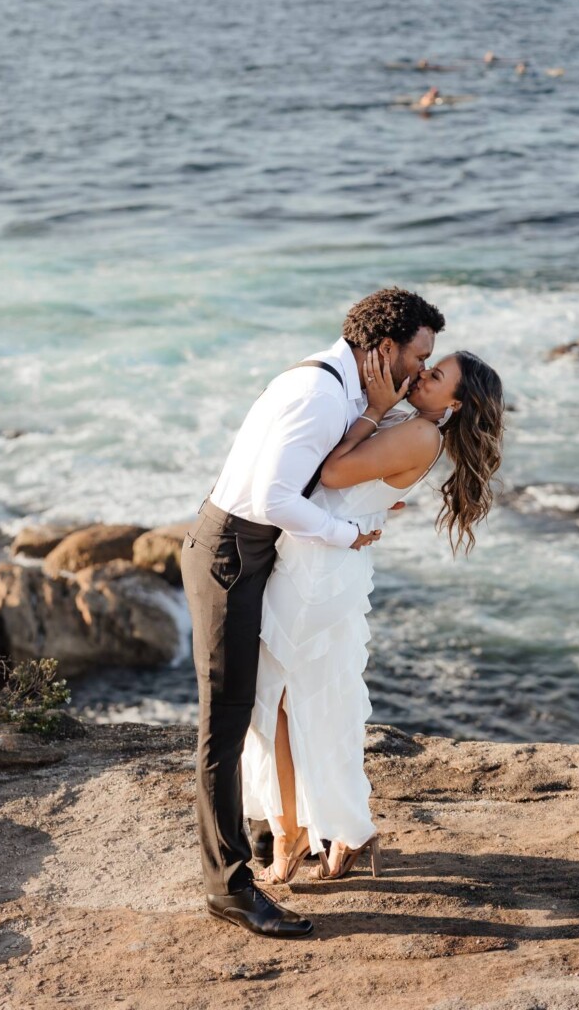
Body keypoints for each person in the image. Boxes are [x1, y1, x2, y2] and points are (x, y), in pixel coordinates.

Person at [180, 287, 445, 938]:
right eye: (419, 355)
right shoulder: (321, 394)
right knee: (226, 722)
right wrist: (344, 536)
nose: (419, 369)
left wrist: (367, 505)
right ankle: (230, 888)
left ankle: (277, 836)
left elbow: (320, 478)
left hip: (249, 551)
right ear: (383, 348)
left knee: (260, 706)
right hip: (231, 555)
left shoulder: (341, 387)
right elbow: (273, 495)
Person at [241, 346, 505, 884]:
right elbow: (352, 486)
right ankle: (332, 832)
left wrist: (373, 411)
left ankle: (302, 837)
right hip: (316, 559)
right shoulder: (413, 427)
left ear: (455, 404)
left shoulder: (419, 433)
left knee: (286, 703)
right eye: (427, 368)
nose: (421, 378)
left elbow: (334, 473)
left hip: (317, 573)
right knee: (294, 704)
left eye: (436, 377)